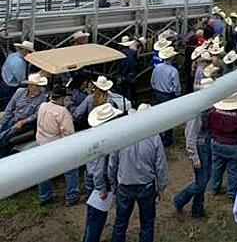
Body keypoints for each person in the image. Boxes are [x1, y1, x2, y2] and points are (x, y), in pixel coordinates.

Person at [108, 103, 168, 242]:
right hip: (146, 186)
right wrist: (161, 187)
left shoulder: (120, 136)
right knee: (147, 223)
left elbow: (112, 163)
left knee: (120, 223)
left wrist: (113, 184)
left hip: (124, 185)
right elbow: (160, 165)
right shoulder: (154, 137)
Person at [83, 103, 125, 242]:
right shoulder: (104, 140)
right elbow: (100, 168)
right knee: (97, 218)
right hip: (99, 182)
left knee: (91, 216)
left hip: (90, 176)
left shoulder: (93, 134)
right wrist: (102, 188)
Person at [173, 77, 214, 217]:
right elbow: (190, 136)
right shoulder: (196, 112)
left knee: (206, 177)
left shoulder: (206, 107)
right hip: (200, 148)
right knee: (201, 183)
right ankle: (179, 200)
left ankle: (198, 209)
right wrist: (194, 156)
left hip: (207, 145)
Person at [36, 84, 79, 205]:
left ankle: (45, 196)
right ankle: (72, 196)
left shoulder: (42, 105)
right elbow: (69, 133)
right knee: (71, 169)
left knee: (43, 171)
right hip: (56, 145)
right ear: (61, 98)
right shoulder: (63, 112)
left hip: (41, 142)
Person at [0, 73, 47, 157]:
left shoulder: (42, 98)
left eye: (34, 85)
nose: (31, 87)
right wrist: (2, 123)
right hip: (13, 118)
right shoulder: (20, 92)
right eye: (30, 85)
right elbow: (9, 109)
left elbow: (36, 115)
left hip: (26, 123)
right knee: (2, 129)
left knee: (6, 136)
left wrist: (23, 122)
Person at [150, 46, 181, 147]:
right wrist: (176, 94)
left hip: (158, 93)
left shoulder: (157, 68)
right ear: (171, 57)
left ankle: (160, 134)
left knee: (159, 115)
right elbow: (176, 86)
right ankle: (167, 138)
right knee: (169, 117)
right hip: (168, 95)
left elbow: (152, 81)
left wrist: (156, 89)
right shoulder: (173, 71)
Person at [1, 40, 33, 105]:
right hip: (11, 87)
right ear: (25, 51)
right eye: (29, 52)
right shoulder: (19, 63)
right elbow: (21, 81)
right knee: (11, 103)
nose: (30, 54)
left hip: (4, 80)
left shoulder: (12, 55)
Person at [119, 36, 141, 103]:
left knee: (124, 91)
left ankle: (126, 103)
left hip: (124, 75)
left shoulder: (120, 53)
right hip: (132, 74)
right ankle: (134, 102)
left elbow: (120, 66)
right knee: (133, 90)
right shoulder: (133, 52)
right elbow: (137, 62)